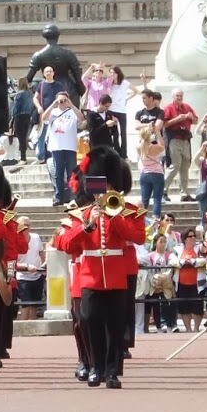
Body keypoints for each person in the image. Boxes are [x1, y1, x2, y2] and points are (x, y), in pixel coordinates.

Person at [56, 147, 146, 388]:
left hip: (116, 276)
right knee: (92, 322)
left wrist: (115, 216)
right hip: (90, 277)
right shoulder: (80, 215)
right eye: (101, 187)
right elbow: (63, 243)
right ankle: (96, 367)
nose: (104, 192)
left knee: (116, 326)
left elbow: (138, 237)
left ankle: (113, 371)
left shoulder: (127, 212)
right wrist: (87, 225)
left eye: (108, 187)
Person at [41, 90, 81, 206]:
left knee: (71, 173)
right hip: (56, 146)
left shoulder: (72, 112)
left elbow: (82, 119)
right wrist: (54, 104)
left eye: (64, 100)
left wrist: (71, 105)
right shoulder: (53, 112)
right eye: (60, 100)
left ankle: (72, 196)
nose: (62, 102)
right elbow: (44, 118)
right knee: (58, 172)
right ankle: (59, 197)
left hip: (70, 146)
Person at [162, 88, 198, 201]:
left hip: (185, 139)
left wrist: (192, 118)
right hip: (174, 139)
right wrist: (177, 119)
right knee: (175, 165)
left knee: (185, 166)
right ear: (173, 96)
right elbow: (164, 124)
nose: (179, 97)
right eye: (177, 95)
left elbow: (196, 121)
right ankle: (163, 190)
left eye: (181, 95)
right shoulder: (168, 108)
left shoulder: (187, 107)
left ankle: (184, 193)